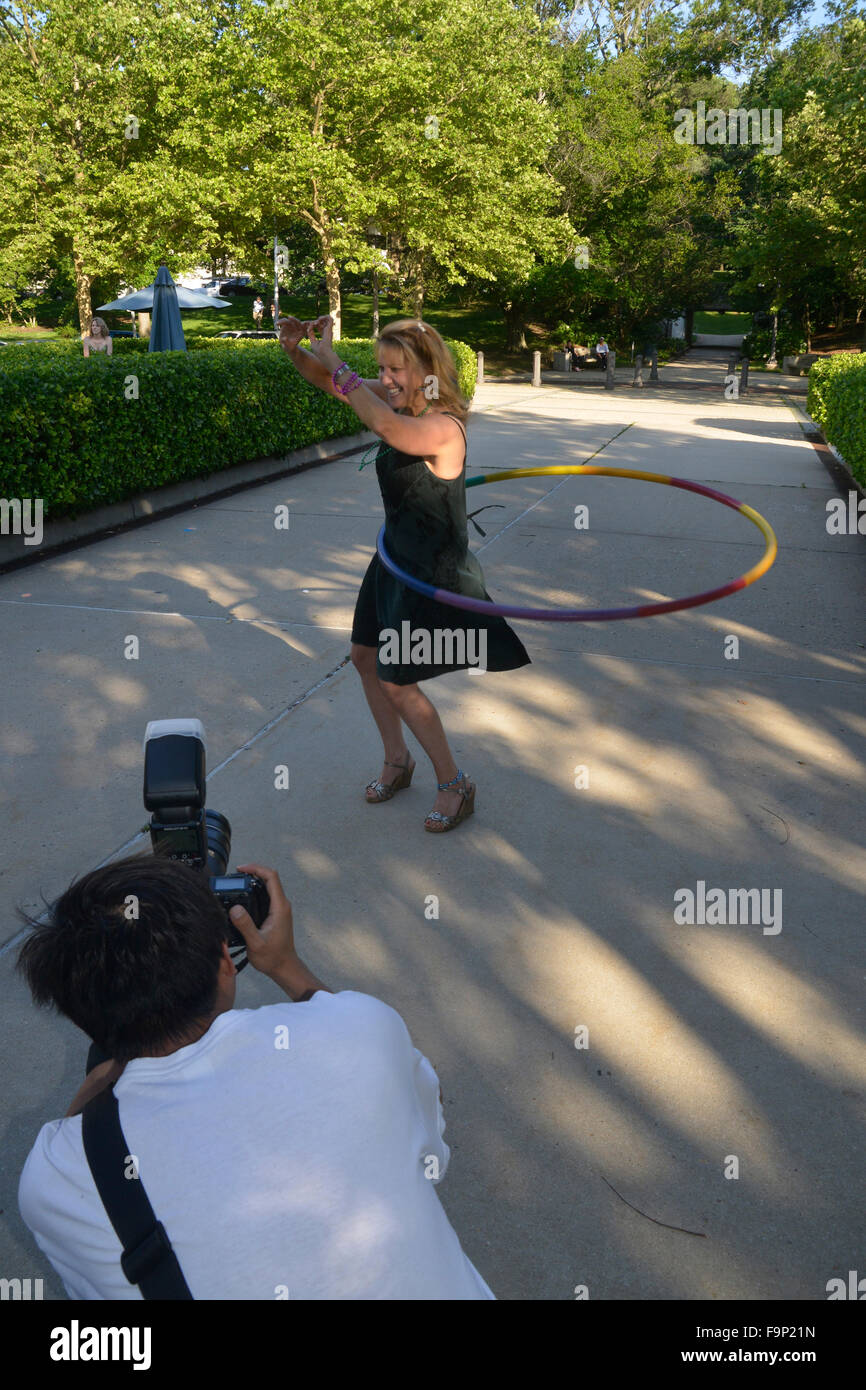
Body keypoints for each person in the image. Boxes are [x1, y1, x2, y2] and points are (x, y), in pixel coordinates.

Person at [17, 855, 495, 1301]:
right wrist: (286, 964)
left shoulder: (55, 1176)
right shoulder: (363, 1029)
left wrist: (111, 1062)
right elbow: (432, 1154)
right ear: (227, 963)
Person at [277, 313, 531, 832]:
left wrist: (337, 362)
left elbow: (389, 429)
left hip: (431, 574)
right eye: (381, 370)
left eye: (395, 370)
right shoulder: (402, 399)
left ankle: (454, 783)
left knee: (398, 681)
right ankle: (398, 760)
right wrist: (295, 348)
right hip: (393, 560)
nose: (385, 379)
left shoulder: (442, 427)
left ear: (427, 371)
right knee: (364, 658)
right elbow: (333, 383)